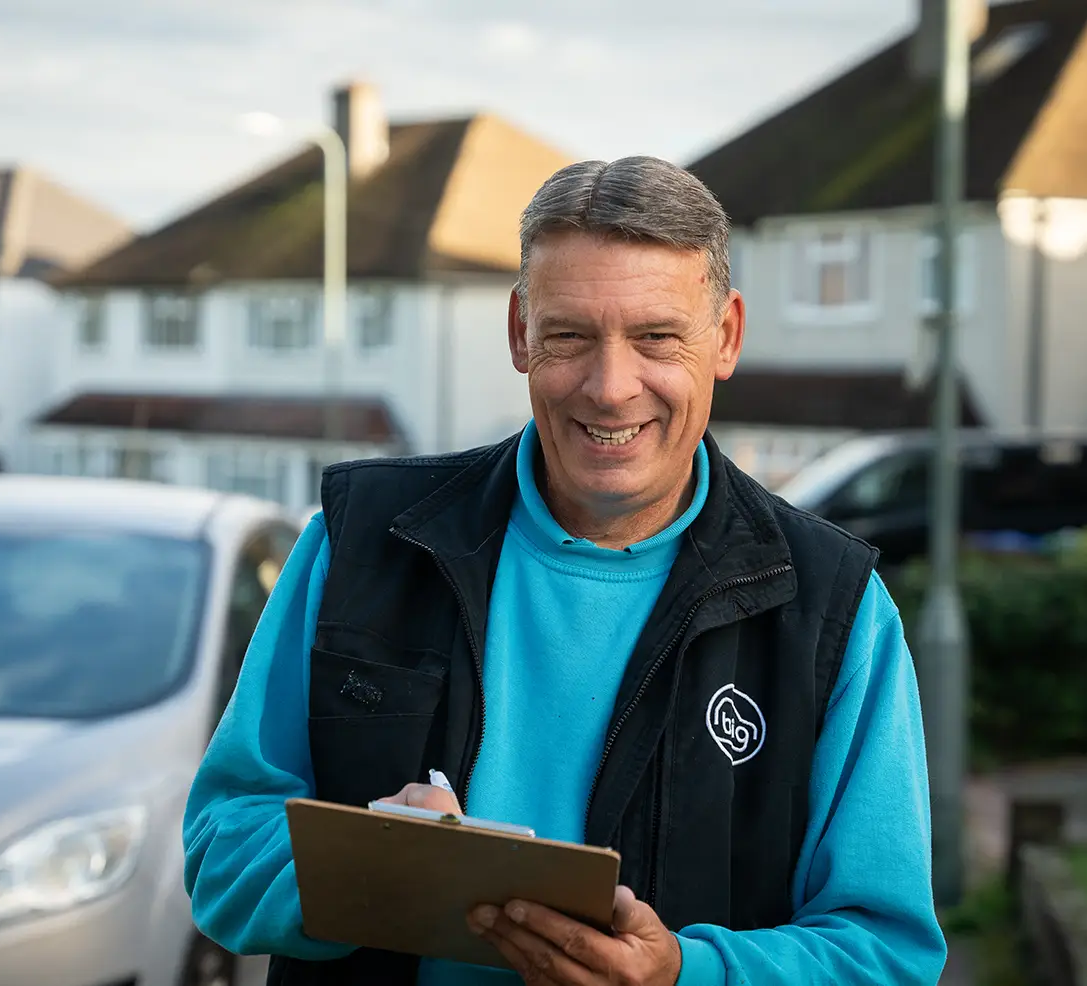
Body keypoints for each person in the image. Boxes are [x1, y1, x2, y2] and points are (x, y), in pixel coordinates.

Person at [182, 156, 947, 986]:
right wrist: (366, 866)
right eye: (570, 336)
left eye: (656, 337)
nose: (611, 388)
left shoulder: (833, 608)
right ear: (519, 332)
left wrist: (685, 974)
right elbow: (221, 850)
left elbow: (887, 955)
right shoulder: (362, 540)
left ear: (724, 336)